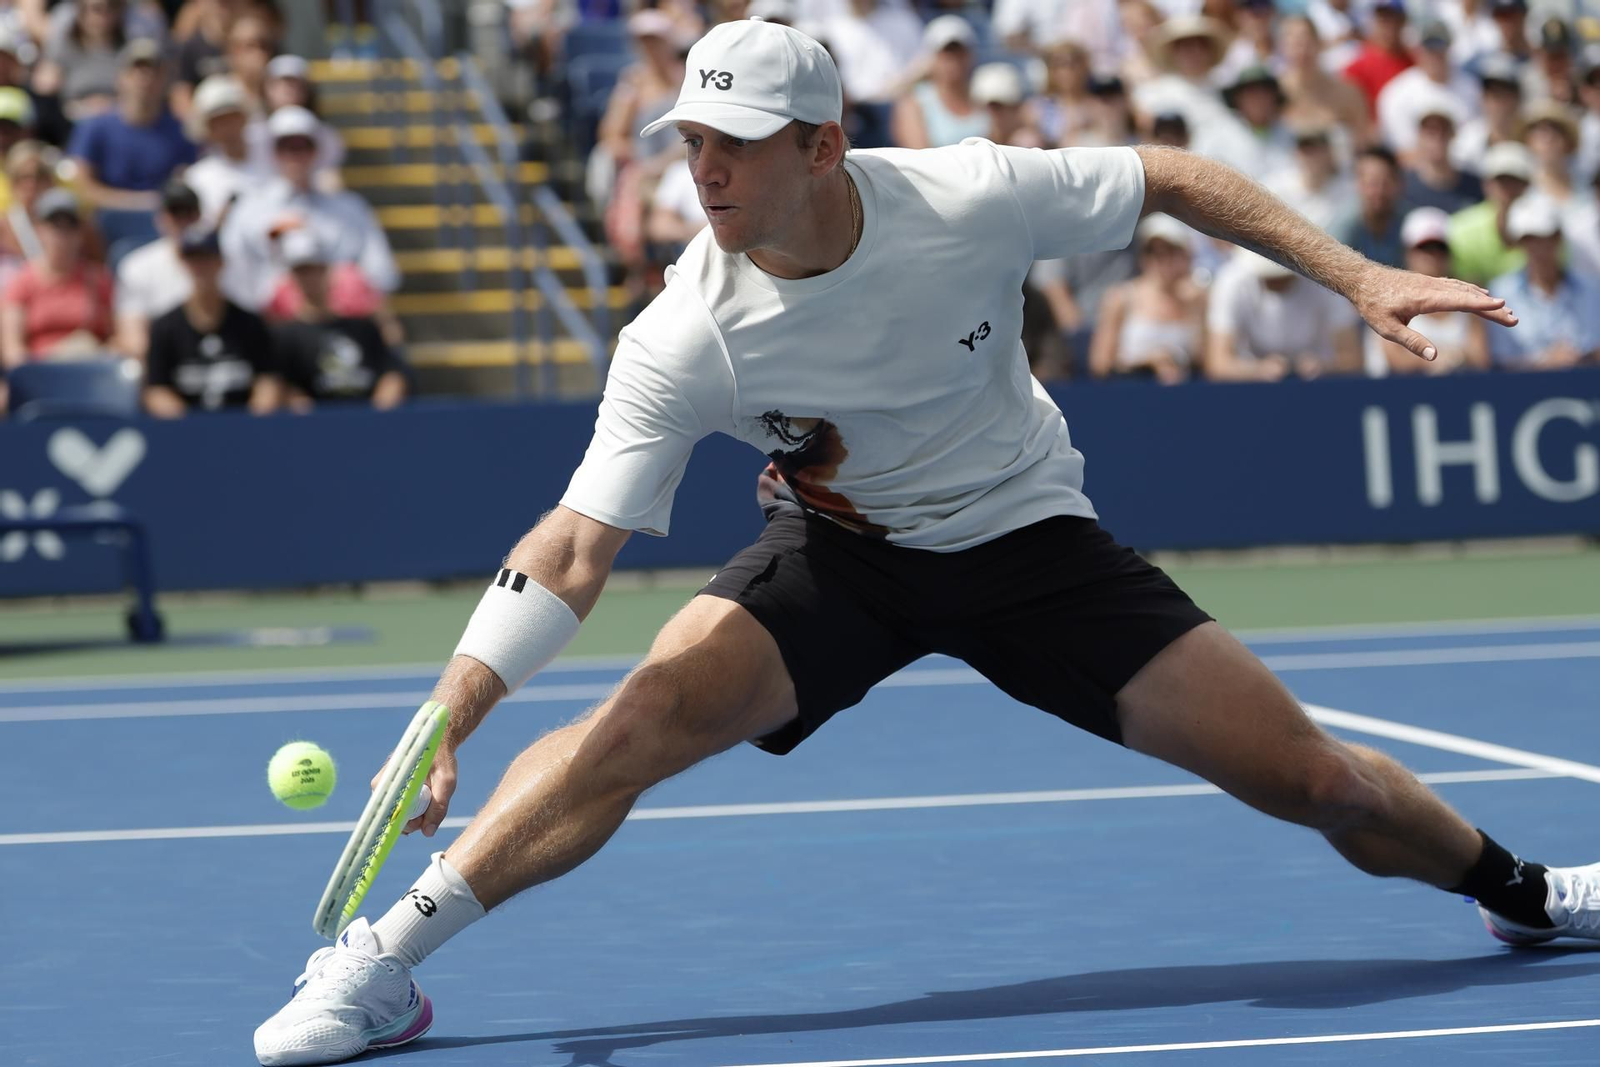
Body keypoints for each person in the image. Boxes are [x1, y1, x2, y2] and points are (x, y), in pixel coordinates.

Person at [254, 22, 1591, 1067]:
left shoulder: (969, 195)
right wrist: (452, 705)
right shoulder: (684, 329)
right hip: (844, 551)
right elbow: (573, 542)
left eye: (736, 139)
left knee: (1317, 779)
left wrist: (1354, 274)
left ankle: (1520, 888)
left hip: (1031, 541)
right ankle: (378, 960)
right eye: (688, 139)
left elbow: (1173, 178)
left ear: (823, 146)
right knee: (639, 717)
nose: (703, 167)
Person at [220, 105, 398, 312]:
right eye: (286, 146)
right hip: (274, 328)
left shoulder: (351, 208)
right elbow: (236, 270)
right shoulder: (249, 210)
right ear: (273, 151)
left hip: (343, 321)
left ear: (316, 151)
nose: (295, 155)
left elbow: (381, 269)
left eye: (303, 146)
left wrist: (345, 284)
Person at [66, 37, 198, 264]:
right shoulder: (95, 127)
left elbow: (186, 183)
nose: (145, 78)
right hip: (107, 228)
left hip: (164, 225)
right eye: (137, 69)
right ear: (121, 78)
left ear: (165, 80)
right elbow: (83, 187)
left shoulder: (181, 131)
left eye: (154, 71)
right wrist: (143, 202)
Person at [143, 223, 279, 415]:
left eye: (207, 258)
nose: (201, 267)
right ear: (182, 263)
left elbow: (267, 380)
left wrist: (253, 423)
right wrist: (193, 428)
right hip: (187, 434)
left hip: (244, 429)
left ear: (221, 261)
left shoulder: (250, 323)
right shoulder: (165, 327)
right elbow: (157, 388)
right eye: (194, 259)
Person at [271, 229, 406, 410]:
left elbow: (393, 373)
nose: (310, 277)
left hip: (366, 424)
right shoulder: (284, 337)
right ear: (292, 276)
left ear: (328, 270)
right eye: (302, 270)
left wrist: (377, 415)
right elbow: (280, 386)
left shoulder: (363, 328)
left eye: (315, 268)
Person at [1205, 248, 1363, 381]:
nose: (1275, 282)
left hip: (1319, 388)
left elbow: (1352, 358)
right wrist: (1257, 370)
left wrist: (1324, 366)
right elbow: (1218, 363)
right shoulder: (1231, 280)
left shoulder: (1326, 280)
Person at [0, 188, 115, 366]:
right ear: (39, 229)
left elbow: (117, 337)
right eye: (55, 225)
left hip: (90, 373)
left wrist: (96, 355)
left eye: (70, 225)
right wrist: (53, 363)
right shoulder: (21, 282)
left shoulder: (99, 279)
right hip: (39, 376)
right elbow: (13, 350)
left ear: (80, 232)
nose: (62, 234)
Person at [1087, 212, 1204, 383]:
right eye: (1153, 252)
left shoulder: (1197, 300)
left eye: (1171, 250)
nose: (1163, 259)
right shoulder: (1119, 298)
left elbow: (1205, 362)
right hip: (1131, 397)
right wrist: (1146, 364)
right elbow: (1100, 365)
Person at [1487, 195, 1600, 369]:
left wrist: (1582, 357)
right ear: (1520, 243)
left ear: (1558, 238)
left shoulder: (1593, 290)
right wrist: (1544, 361)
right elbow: (1498, 363)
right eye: (1530, 240)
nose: (1539, 248)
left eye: (1546, 237)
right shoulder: (1499, 294)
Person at [1374, 207, 1490, 376]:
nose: (1433, 256)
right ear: (1408, 253)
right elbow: (1394, 359)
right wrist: (1434, 360)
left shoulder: (1469, 301)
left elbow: (1481, 358)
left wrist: (1456, 358)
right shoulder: (1391, 300)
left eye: (1440, 248)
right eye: (1424, 248)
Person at [1376, 19, 1479, 159]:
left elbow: (1475, 138)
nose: (1435, 55)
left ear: (1449, 49)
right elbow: (1401, 150)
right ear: (1420, 50)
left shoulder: (1471, 88)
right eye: (1430, 48)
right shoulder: (1397, 92)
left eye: (1440, 48)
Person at [183, 73, 270, 224]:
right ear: (208, 129)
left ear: (243, 117)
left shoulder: (275, 153)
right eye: (218, 122)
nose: (227, 127)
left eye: (231, 117)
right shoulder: (197, 179)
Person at [889, 15, 987, 150]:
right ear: (931, 58)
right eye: (946, 53)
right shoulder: (914, 103)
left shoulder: (986, 96)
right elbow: (919, 155)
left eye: (959, 52)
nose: (954, 60)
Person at [1448, 140, 1533, 285]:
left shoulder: (1546, 228)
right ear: (1487, 185)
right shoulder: (1460, 229)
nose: (1508, 189)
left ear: (1527, 185)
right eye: (1501, 181)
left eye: (1515, 181)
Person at [1264, 120, 1355, 233]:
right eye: (1304, 149)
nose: (1310, 156)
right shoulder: (1276, 187)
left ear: (1328, 153)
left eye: (1316, 149)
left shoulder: (1347, 192)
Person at [1401, 91, 1483, 215]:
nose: (1437, 139)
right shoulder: (1403, 188)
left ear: (1453, 135)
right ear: (1419, 137)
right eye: (1430, 132)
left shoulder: (1475, 186)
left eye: (1443, 131)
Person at [1332, 145, 1406, 268]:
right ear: (1358, 184)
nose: (1379, 191)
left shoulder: (1409, 221)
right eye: (1372, 183)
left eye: (1385, 183)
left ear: (1398, 184)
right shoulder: (1343, 227)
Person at [1341, 0, 1412, 112]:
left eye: (1395, 20)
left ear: (1403, 22)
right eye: (1383, 20)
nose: (1389, 27)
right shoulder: (1357, 66)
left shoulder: (1415, 60)